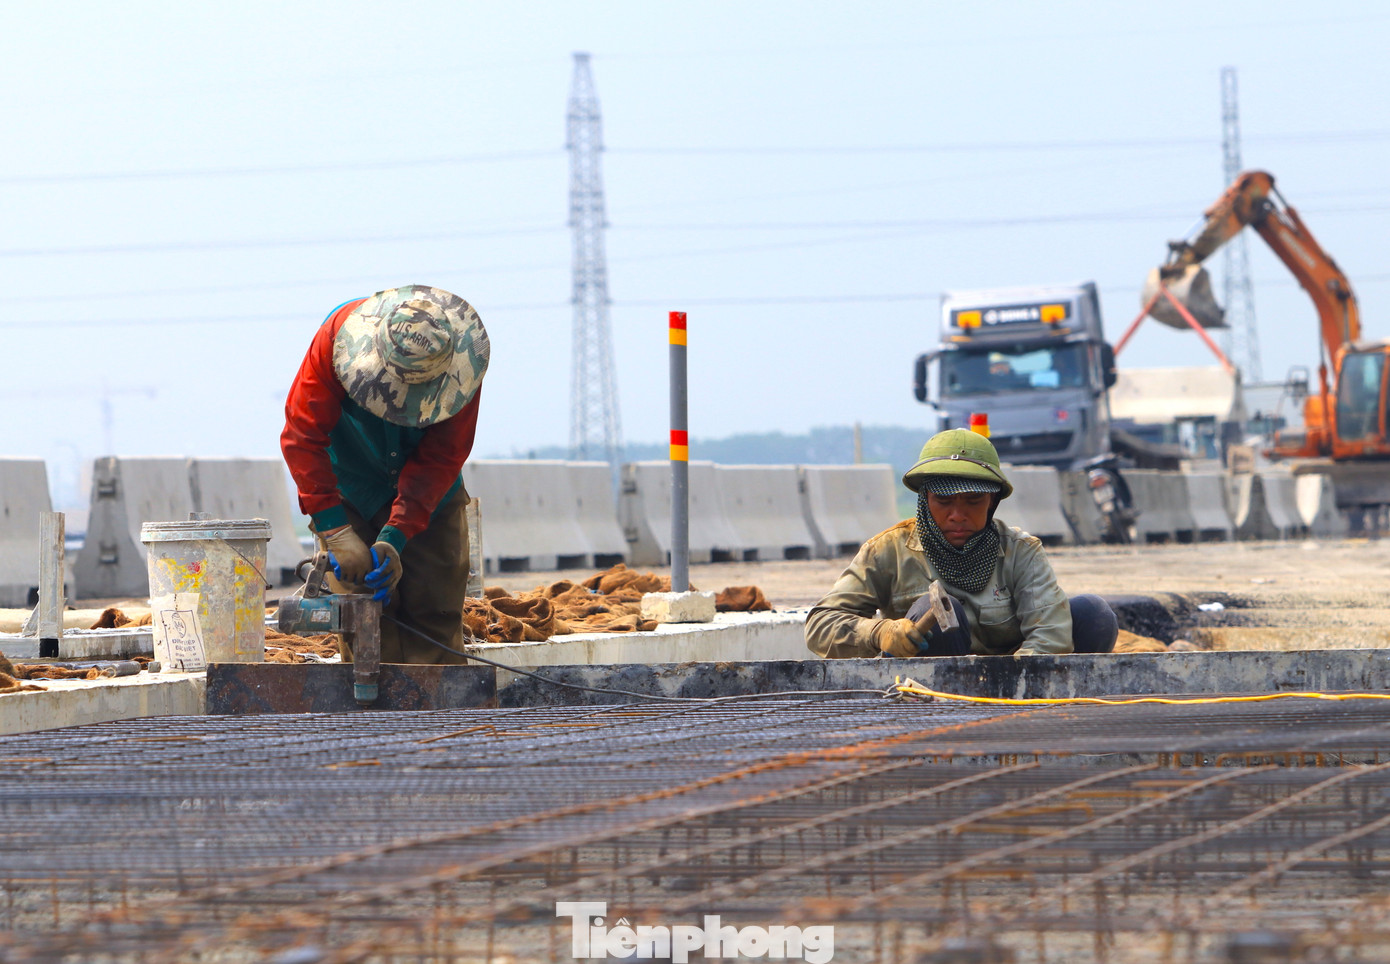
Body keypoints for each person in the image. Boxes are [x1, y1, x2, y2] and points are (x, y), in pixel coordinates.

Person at [281, 285, 489, 664]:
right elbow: (303, 436)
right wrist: (336, 531)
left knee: (435, 612)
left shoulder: (461, 368)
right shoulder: (334, 341)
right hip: (351, 487)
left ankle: (439, 717)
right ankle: (370, 715)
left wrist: (397, 536)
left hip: (430, 497)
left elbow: (443, 456)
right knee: (360, 620)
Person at [805, 428, 1117, 659]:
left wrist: (1017, 687)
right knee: (939, 610)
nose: (957, 515)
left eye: (972, 501)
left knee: (1093, 613)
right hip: (923, 690)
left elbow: (1049, 635)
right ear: (925, 500)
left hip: (1008, 684)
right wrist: (879, 632)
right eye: (943, 502)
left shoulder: (1021, 551)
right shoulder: (886, 551)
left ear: (992, 502)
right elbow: (820, 625)